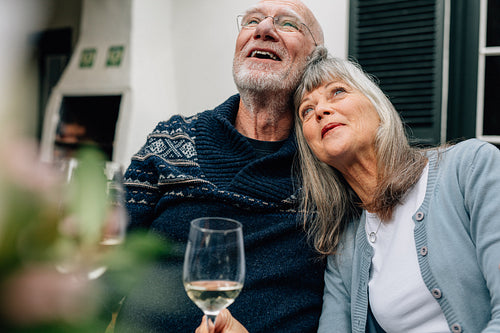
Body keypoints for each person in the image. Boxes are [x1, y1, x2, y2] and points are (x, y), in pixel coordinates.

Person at [196, 46, 500, 333]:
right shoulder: (345, 247)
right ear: (311, 148)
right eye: (306, 110)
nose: (321, 111)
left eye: (337, 92)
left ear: (378, 107)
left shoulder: (469, 168)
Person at [114, 1, 326, 332]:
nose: (263, 29)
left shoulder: (326, 163)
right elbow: (112, 257)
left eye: (288, 25)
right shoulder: (171, 139)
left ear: (316, 60)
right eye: (252, 21)